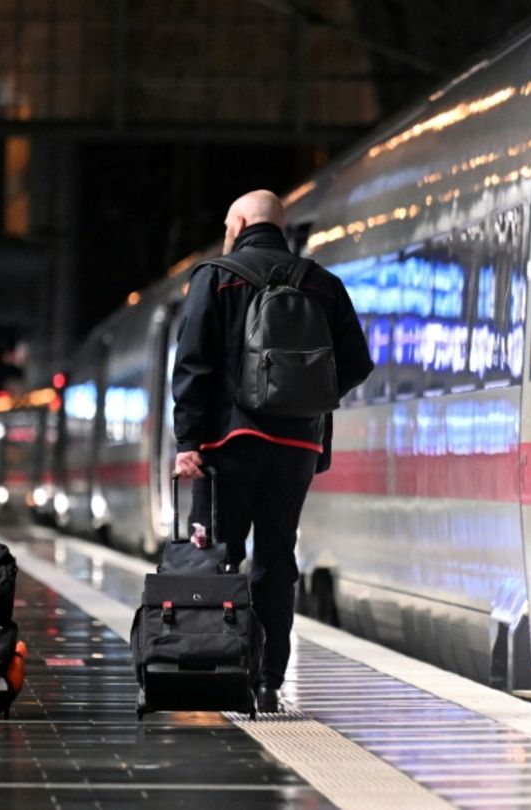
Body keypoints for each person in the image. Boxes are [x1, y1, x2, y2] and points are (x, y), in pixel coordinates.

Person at [172, 189, 373, 713]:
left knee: (217, 556)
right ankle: (267, 679)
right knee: (277, 559)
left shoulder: (215, 275)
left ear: (238, 222)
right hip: (296, 447)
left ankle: (219, 665)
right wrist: (304, 400)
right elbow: (356, 362)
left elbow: (193, 363)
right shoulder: (322, 284)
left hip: (227, 445)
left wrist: (189, 442)